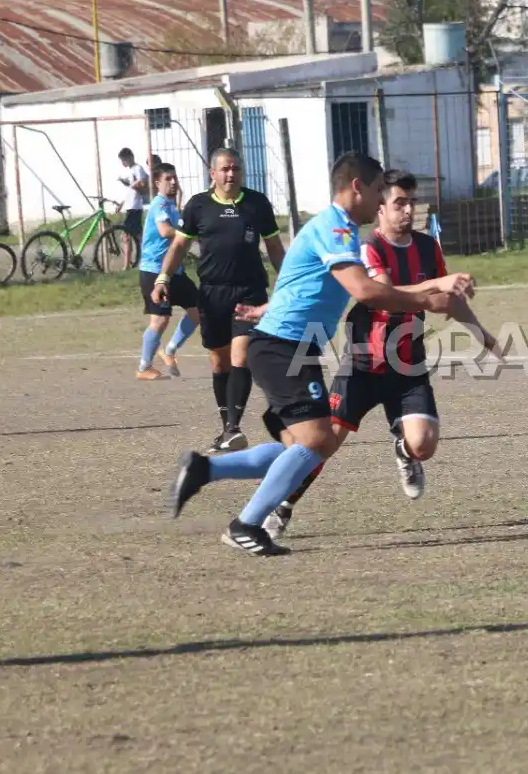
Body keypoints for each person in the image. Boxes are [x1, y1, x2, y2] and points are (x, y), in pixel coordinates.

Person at [166, 152, 474, 557]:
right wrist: (429, 295)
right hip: (281, 346)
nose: (383, 201)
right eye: (379, 191)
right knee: (315, 441)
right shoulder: (335, 229)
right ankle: (246, 524)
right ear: (357, 188)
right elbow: (365, 291)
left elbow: (310, 285)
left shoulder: (340, 230)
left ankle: (205, 469)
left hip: (291, 344)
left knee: (307, 445)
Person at [260, 169, 503, 541]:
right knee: (320, 446)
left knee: (424, 444)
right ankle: (281, 506)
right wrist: (436, 284)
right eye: (399, 203)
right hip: (362, 363)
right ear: (382, 209)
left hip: (408, 365)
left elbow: (447, 301)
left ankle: (404, 452)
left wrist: (482, 335)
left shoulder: (427, 248)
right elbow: (383, 293)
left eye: (412, 202)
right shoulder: (366, 248)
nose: (408, 210)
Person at [152, 147, 285, 451]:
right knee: (219, 361)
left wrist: (286, 282)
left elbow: (275, 247)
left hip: (250, 291)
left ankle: (235, 427)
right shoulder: (198, 206)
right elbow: (179, 248)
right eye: (224, 169)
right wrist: (163, 278)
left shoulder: (257, 203)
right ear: (212, 173)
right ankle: (227, 428)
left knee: (241, 356)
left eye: (236, 168)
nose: (230, 174)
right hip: (212, 293)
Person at [136, 163, 199, 380]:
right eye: (168, 179)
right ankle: (144, 367)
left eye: (175, 178)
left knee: (197, 311)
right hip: (154, 272)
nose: (173, 182)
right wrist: (189, 234)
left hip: (175, 271)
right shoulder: (159, 204)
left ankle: (170, 350)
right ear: (157, 182)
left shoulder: (172, 205)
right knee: (160, 320)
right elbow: (164, 231)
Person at [117, 148, 149, 254]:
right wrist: (122, 203)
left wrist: (132, 184)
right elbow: (129, 191)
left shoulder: (138, 168)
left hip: (135, 206)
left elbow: (142, 183)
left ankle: (146, 253)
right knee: (133, 234)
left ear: (130, 157)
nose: (123, 163)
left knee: (128, 234)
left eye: (124, 160)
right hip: (130, 205)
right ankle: (141, 256)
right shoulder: (130, 170)